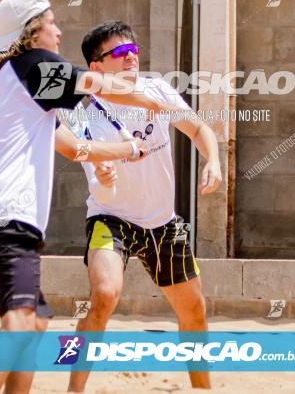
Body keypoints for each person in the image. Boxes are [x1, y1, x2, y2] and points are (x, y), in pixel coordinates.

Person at [0, 0, 184, 394]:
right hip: (6, 212)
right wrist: (154, 102)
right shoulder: (34, 63)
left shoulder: (18, 78)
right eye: (51, 23)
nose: (59, 31)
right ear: (33, 31)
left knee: (36, 321)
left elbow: (69, 145)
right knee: (20, 323)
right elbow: (97, 84)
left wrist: (125, 150)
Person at [68, 21, 222, 392]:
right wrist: (104, 177)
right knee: (104, 296)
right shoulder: (83, 112)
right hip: (112, 217)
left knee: (194, 311)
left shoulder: (155, 90)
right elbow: (97, 182)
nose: (131, 56)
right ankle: (74, 388)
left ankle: (203, 388)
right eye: (120, 53)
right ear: (97, 68)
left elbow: (199, 129)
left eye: (134, 50)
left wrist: (212, 161)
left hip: (162, 223)